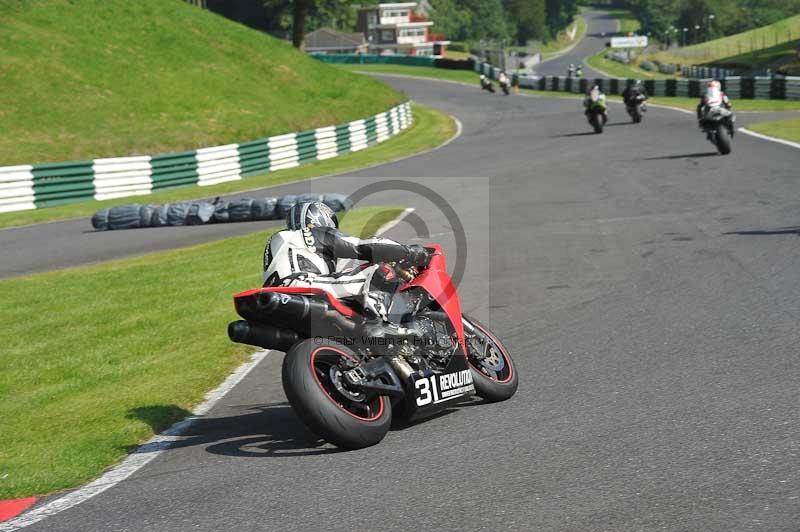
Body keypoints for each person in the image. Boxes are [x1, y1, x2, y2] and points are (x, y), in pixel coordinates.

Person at [262, 201, 432, 337]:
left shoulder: (281, 242)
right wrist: (409, 252)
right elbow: (364, 247)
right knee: (377, 269)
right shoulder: (313, 233)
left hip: (276, 300)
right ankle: (380, 325)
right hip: (302, 286)